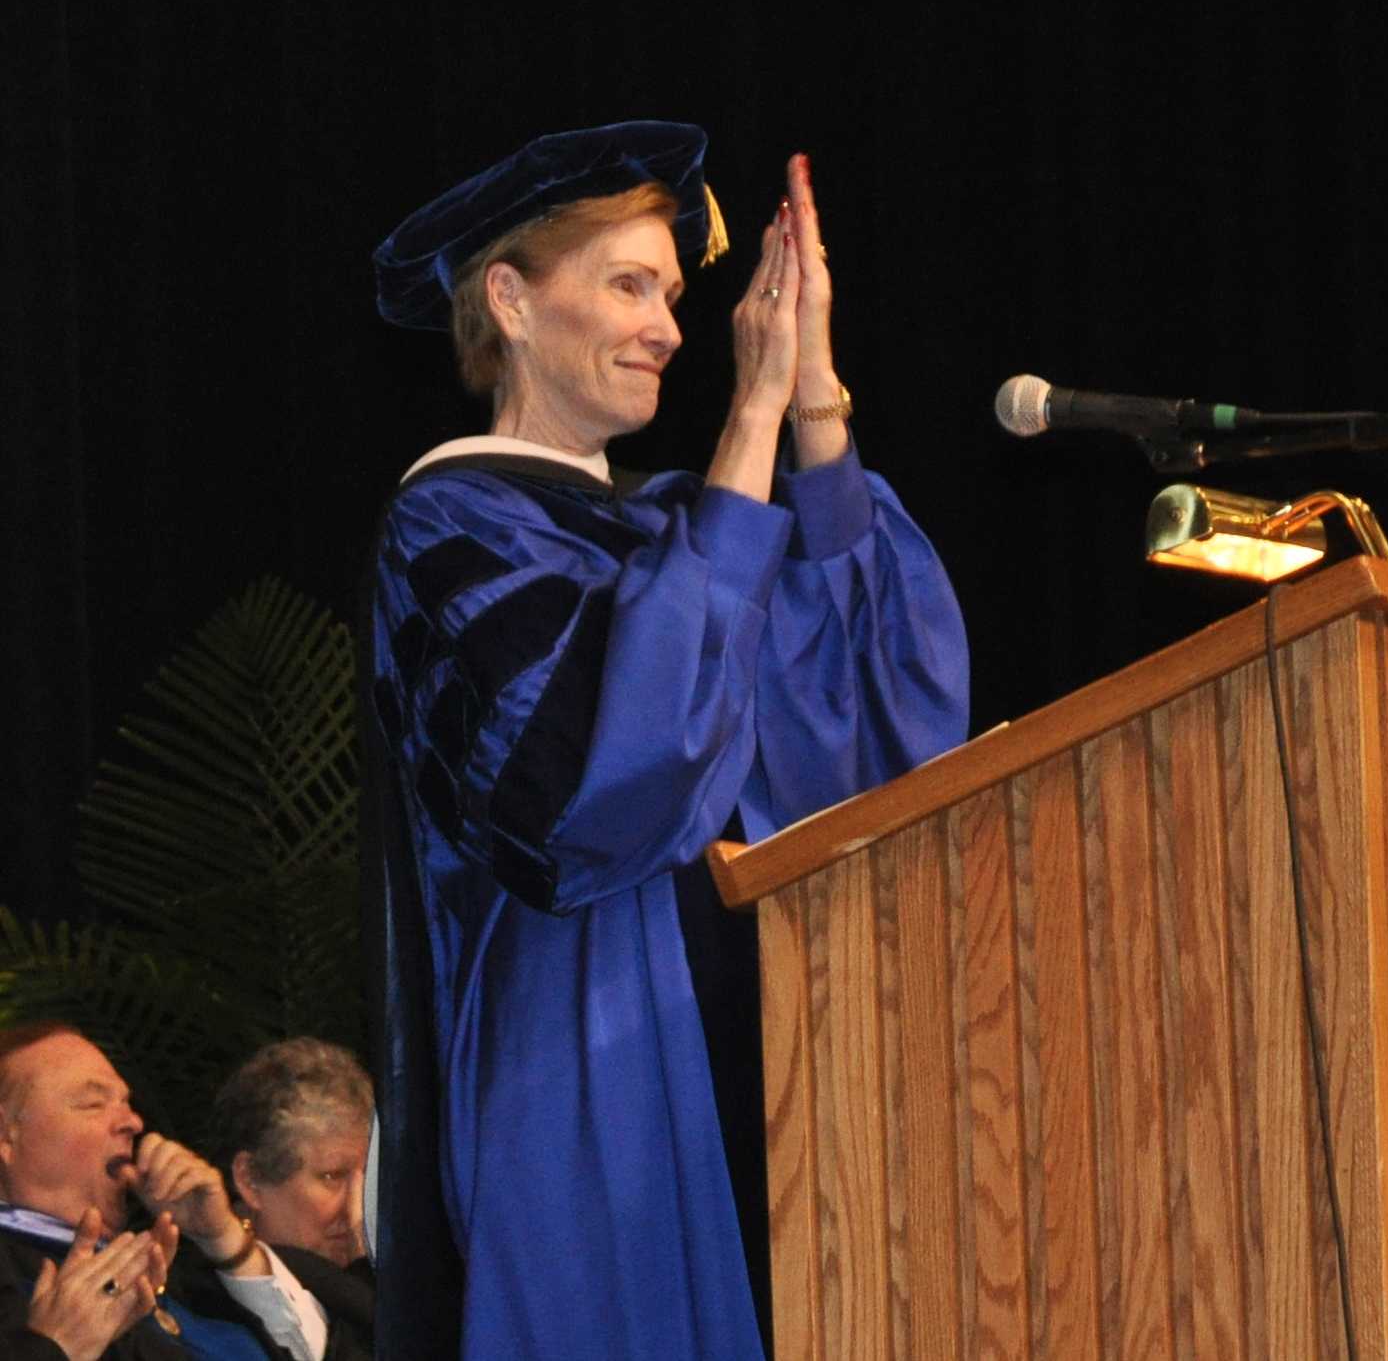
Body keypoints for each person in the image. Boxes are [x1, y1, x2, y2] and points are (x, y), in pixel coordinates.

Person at [364, 120, 968, 1359]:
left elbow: (877, 717)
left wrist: (809, 397)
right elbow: (599, 790)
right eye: (629, 285)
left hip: (773, 1046)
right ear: (511, 301)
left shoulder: (673, 534)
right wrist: (744, 426)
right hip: (589, 1074)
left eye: (676, 293)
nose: (672, 329)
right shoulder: (454, 527)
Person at [0, 1022, 366, 1361]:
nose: (132, 1121)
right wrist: (53, 1348)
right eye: (92, 1104)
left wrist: (224, 1239)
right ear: (5, 1135)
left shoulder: (177, 1271)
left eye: (125, 1103)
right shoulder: (19, 1282)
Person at [209, 1041, 373, 1348]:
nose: (358, 1206)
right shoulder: (206, 1307)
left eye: (368, 1179)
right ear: (251, 1178)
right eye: (332, 1177)